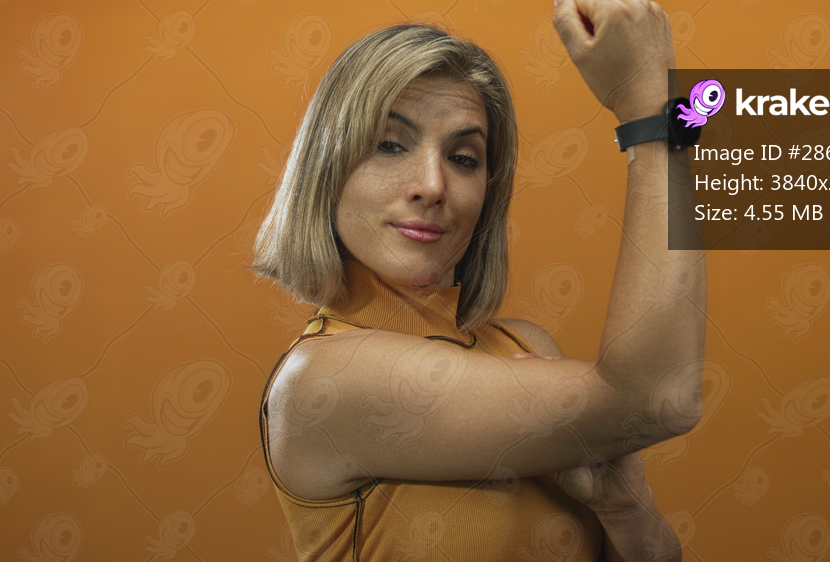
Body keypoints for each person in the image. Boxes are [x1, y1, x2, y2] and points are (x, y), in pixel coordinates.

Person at [252, 0, 705, 560]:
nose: (432, 185)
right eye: (389, 144)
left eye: (464, 157)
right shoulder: (324, 380)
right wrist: (652, 108)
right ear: (326, 170)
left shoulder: (523, 344)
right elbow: (660, 398)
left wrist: (625, 509)